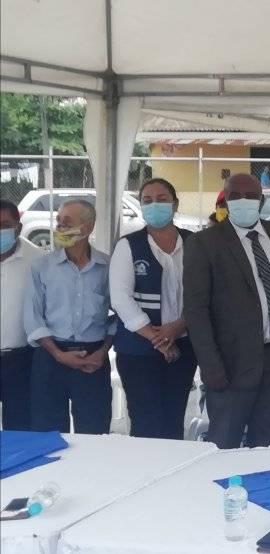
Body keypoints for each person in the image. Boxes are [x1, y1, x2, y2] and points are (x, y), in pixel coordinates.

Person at [184, 173, 270, 449]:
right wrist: (209, 366)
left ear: (262, 200)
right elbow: (196, 310)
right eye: (235, 196)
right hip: (230, 362)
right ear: (225, 200)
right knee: (225, 441)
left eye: (250, 196)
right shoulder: (204, 243)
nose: (243, 201)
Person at [109, 178, 198, 439]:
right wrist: (158, 338)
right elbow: (121, 298)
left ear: (175, 204)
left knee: (173, 418)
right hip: (138, 350)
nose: (154, 205)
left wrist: (179, 326)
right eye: (147, 201)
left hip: (184, 345)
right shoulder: (128, 245)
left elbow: (205, 292)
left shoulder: (194, 243)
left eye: (161, 199)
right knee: (146, 422)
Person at [24, 200, 115, 434]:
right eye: (58, 221)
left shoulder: (107, 266)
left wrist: (102, 352)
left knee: (95, 431)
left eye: (67, 222)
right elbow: (33, 316)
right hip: (50, 356)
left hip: (93, 359)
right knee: (48, 433)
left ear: (88, 227)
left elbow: (118, 315)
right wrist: (58, 354)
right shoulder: (42, 266)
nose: (60, 227)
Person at [1, 200, 43, 430]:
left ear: (18, 227)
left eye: (4, 225)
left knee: (19, 427)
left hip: (21, 360)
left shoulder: (38, 260)